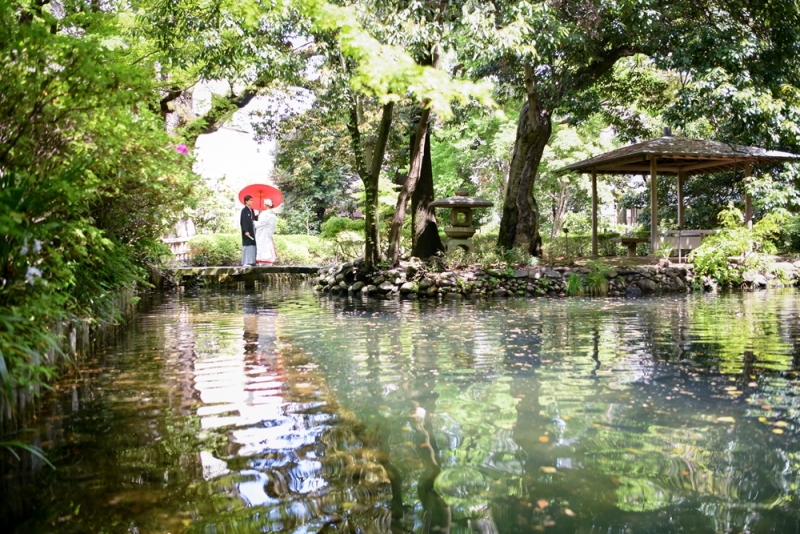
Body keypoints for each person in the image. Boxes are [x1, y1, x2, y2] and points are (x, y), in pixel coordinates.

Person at [254, 198, 278, 264]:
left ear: (266, 205)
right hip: (269, 232)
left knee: (263, 246)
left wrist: (254, 222)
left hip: (264, 232)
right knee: (268, 244)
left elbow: (261, 223)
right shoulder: (272, 215)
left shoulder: (265, 214)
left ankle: (264, 259)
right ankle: (269, 259)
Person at [240, 195, 257, 266]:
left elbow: (253, 219)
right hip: (247, 231)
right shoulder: (244, 210)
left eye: (252, 200)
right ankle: (246, 262)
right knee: (247, 244)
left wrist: (258, 215)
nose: (251, 202)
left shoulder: (252, 210)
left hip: (252, 229)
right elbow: (243, 221)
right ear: (246, 201)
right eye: (250, 200)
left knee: (253, 244)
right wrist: (245, 230)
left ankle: (252, 261)